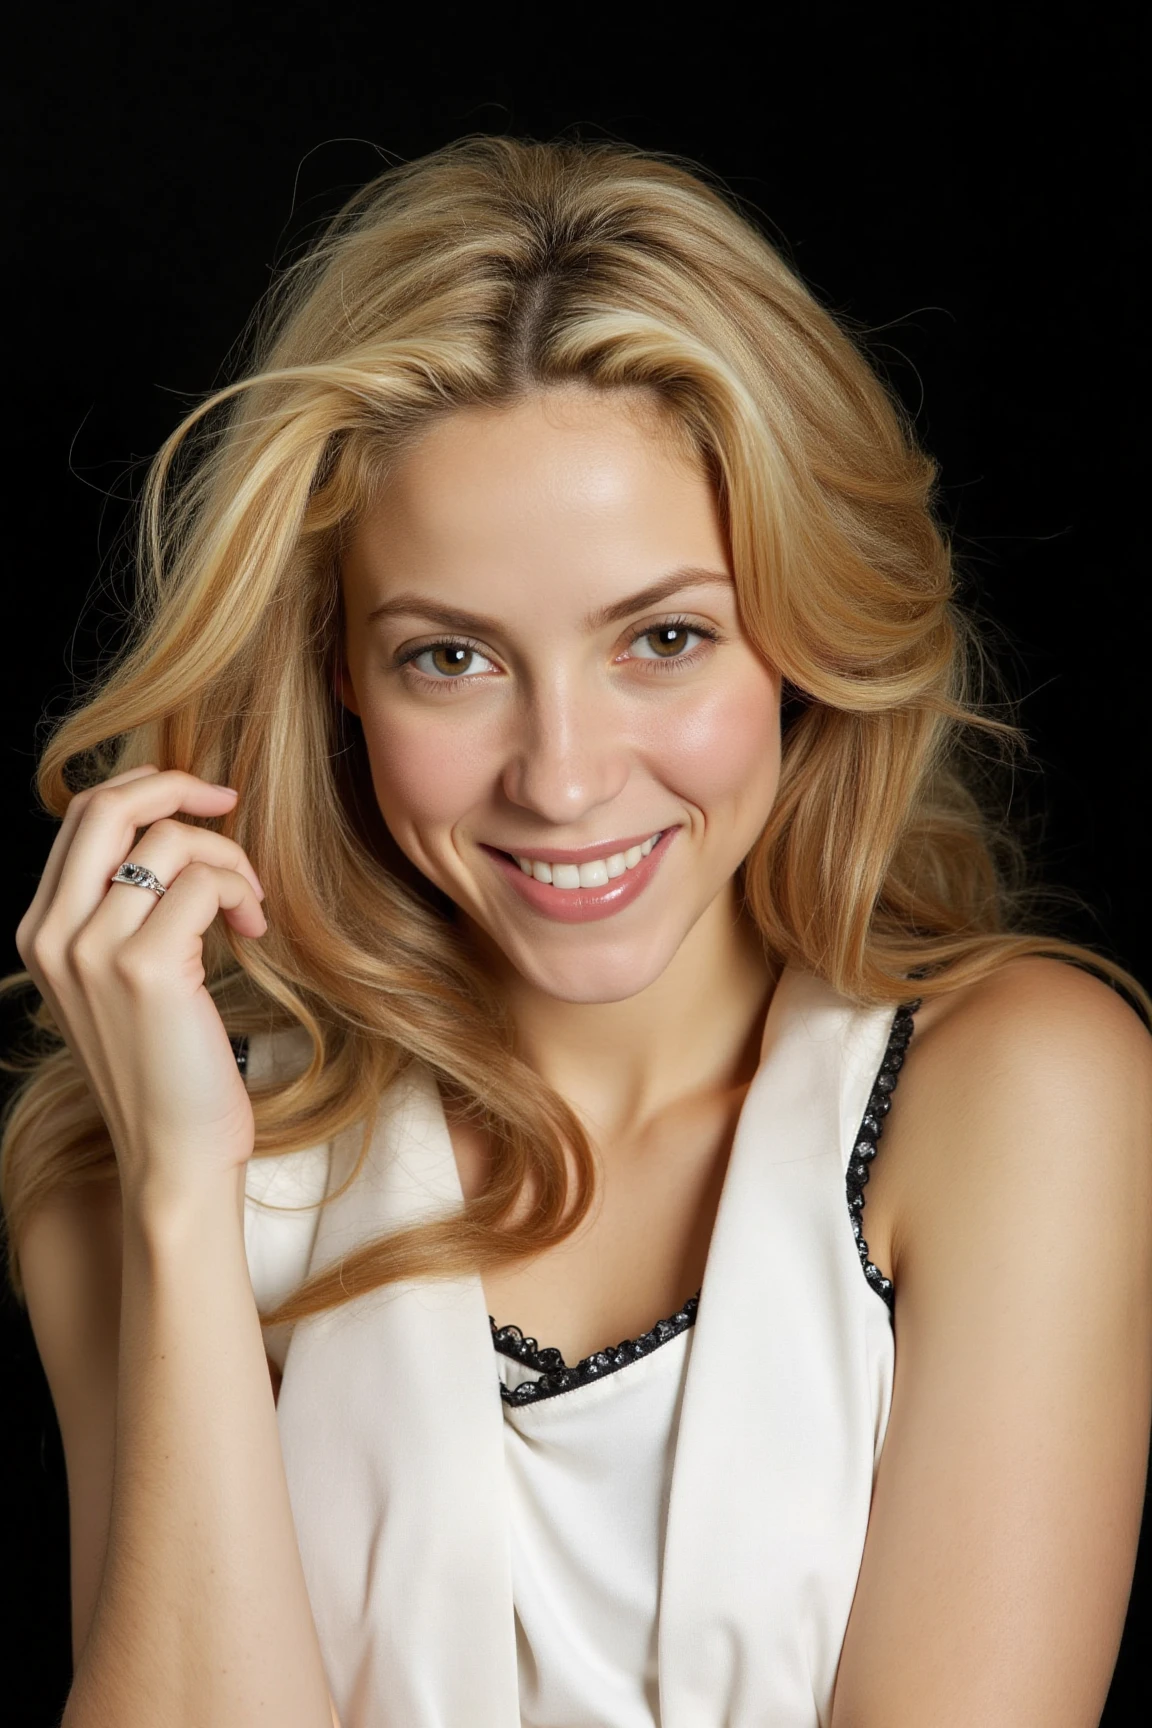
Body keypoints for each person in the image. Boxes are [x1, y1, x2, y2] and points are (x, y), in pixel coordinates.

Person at [3, 136, 1150, 1728]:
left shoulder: (1018, 1093)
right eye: (449, 660)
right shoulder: (129, 1176)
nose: (562, 778)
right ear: (337, 673)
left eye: (664, 639)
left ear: (801, 638)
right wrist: (187, 1209)